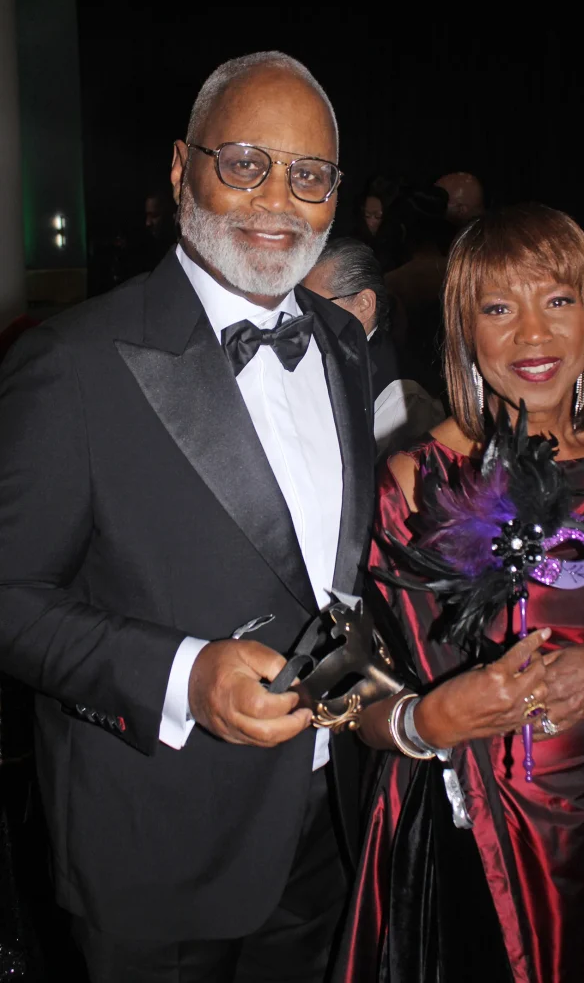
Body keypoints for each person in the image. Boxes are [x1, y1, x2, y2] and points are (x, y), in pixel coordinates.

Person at [0, 51, 375, 983]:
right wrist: (183, 674)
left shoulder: (342, 342)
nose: (277, 200)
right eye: (245, 162)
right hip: (154, 847)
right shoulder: (71, 364)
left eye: (309, 174)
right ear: (181, 169)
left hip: (327, 829)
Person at [337, 204, 584, 982]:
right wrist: (426, 720)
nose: (533, 334)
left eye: (557, 300)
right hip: (470, 848)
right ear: (464, 331)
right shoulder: (413, 485)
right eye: (498, 309)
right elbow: (346, 690)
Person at [303, 237, 444, 459]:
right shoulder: (322, 360)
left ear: (364, 304)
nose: (301, 322)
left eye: (317, 308)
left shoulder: (404, 395)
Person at [384, 186, 450, 395]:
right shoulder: (461, 273)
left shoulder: (394, 281)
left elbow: (395, 341)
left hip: (410, 386)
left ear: (403, 231)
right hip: (456, 379)